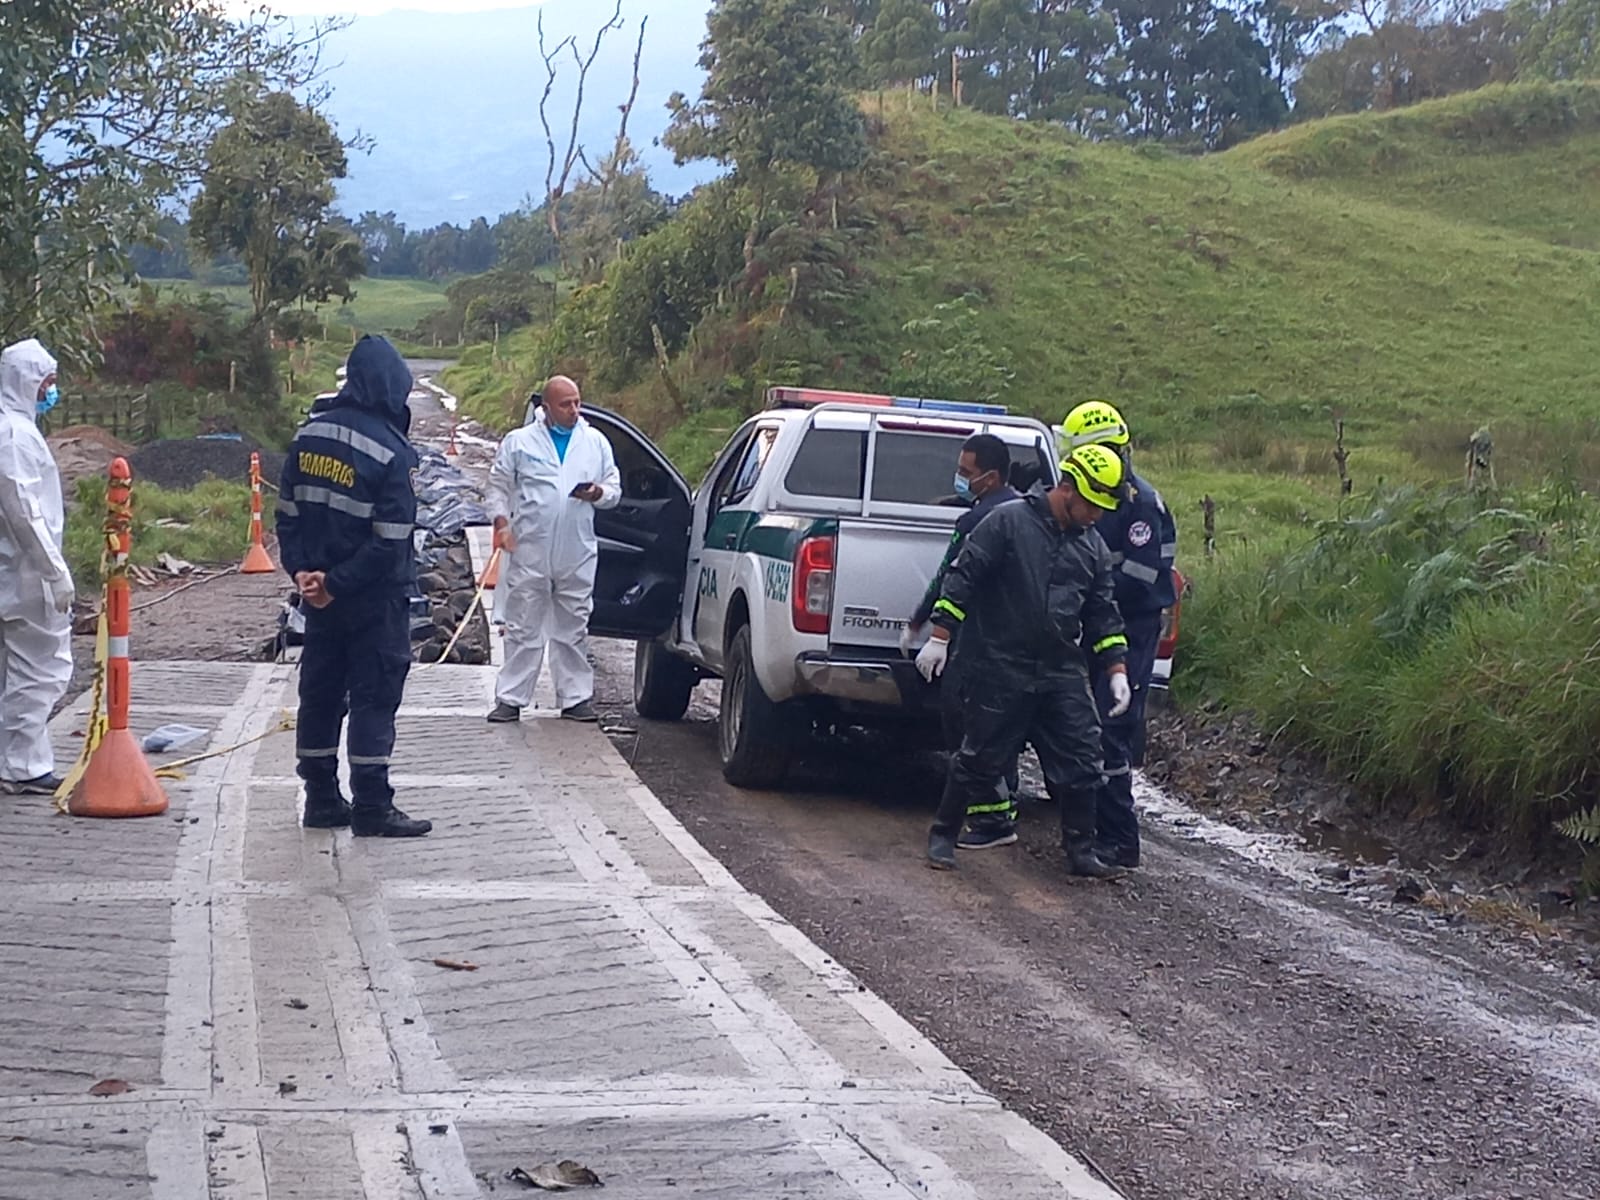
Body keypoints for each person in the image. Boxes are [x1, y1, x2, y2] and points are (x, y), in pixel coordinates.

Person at [917, 444, 1133, 877]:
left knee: (1083, 757)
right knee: (977, 756)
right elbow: (965, 576)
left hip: (1059, 670)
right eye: (1092, 505)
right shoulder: (1008, 522)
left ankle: (1081, 851)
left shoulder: (1091, 548)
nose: (1097, 516)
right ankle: (944, 834)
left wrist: (1117, 670)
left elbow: (1102, 613)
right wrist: (940, 636)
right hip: (1000, 663)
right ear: (1067, 488)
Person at [276, 334, 431, 837]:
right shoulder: (392, 451)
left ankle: (320, 799)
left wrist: (306, 576)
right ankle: (371, 806)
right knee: (373, 697)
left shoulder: (307, 438)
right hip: (372, 602)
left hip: (318, 599)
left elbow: (287, 518)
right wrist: (340, 583)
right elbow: (390, 542)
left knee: (319, 695)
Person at [1058, 400, 1177, 869]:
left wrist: (1088, 590)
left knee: (1112, 729)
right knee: (1086, 727)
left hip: (1130, 627)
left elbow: (1139, 576)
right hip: (1099, 623)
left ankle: (1119, 839)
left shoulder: (1140, 504)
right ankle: (1090, 827)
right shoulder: (1095, 498)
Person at [901, 433, 1023, 849]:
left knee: (966, 727)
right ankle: (1004, 812)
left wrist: (923, 621)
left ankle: (989, 820)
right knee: (1005, 729)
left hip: (977, 644)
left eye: (965, 473)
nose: (959, 479)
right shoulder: (1030, 515)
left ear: (989, 478)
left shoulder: (977, 523)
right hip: (1022, 647)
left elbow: (950, 578)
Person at [486, 375, 621, 724]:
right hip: (530, 549)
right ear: (545, 407)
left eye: (577, 402)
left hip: (576, 551)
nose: (574, 409)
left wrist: (598, 494)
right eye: (565, 404)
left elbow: (614, 487)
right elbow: (498, 486)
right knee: (522, 625)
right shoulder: (519, 443)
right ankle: (510, 698)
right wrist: (501, 524)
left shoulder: (595, 442)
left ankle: (575, 698)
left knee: (573, 625)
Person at [0, 339, 75, 796]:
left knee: (15, 670)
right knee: (41, 670)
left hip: (18, 571)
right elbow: (24, 508)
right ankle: (25, 765)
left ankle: (13, 759)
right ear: (30, 382)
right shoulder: (14, 435)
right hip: (27, 574)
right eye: (48, 382)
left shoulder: (15, 430)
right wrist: (54, 571)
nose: (52, 391)